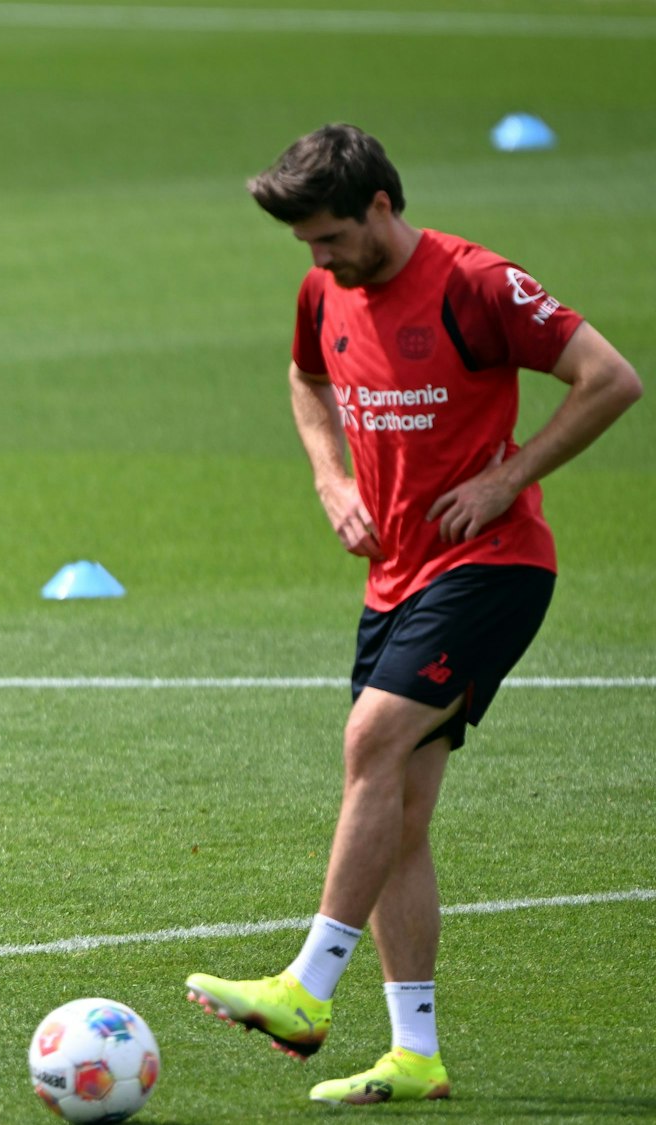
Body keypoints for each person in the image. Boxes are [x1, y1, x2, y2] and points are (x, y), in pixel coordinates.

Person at [185, 124, 641, 1105]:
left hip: (493, 564)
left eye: (328, 238)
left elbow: (611, 378)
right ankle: (413, 1049)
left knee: (368, 741)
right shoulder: (322, 292)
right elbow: (304, 380)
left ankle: (305, 988)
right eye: (304, 246)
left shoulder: (475, 283)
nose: (317, 261)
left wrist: (508, 476)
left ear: (380, 207)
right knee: (398, 813)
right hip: (393, 576)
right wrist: (327, 478)